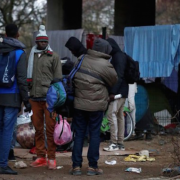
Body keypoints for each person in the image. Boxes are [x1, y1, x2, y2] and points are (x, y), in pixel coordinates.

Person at [65, 37, 118, 176]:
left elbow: (73, 77)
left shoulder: (81, 59)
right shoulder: (106, 65)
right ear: (106, 50)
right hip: (97, 106)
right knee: (94, 134)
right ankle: (92, 167)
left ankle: (76, 166)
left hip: (79, 105)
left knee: (79, 135)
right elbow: (114, 81)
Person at [27, 25, 62, 170]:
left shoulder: (54, 56)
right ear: (36, 42)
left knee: (51, 129)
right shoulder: (31, 56)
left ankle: (52, 158)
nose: (42, 44)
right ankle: (41, 156)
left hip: (49, 99)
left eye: (44, 42)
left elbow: (58, 78)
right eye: (40, 42)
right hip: (34, 97)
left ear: (47, 41)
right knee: (38, 128)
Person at [0, 23, 31, 175]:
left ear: (6, 35)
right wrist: (26, 100)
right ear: (17, 34)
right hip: (12, 97)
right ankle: (2, 164)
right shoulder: (20, 53)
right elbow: (22, 79)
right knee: (7, 131)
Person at [103, 38, 129, 151]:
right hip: (123, 91)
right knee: (119, 116)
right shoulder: (121, 55)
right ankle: (120, 143)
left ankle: (114, 142)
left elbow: (118, 76)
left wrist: (112, 92)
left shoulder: (118, 57)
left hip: (118, 92)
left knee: (111, 114)